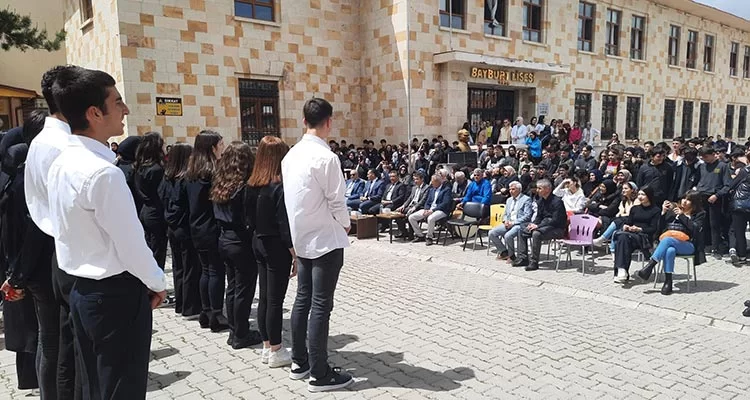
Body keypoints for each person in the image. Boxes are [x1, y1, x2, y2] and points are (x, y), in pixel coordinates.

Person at [47, 66, 166, 399]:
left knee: (96, 387)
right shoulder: (102, 174)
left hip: (83, 292)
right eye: (118, 102)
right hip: (115, 297)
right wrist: (157, 282)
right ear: (94, 113)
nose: (125, 110)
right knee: (120, 389)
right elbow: (131, 246)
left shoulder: (62, 161)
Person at [282, 98, 353, 392]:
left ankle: (300, 362)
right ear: (329, 122)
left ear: (303, 121)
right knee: (321, 305)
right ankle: (319, 373)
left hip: (302, 236)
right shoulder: (327, 158)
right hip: (324, 237)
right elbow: (337, 200)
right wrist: (346, 223)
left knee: (303, 299)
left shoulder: (290, 156)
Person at [23, 65, 80, 399]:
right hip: (57, 251)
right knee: (60, 346)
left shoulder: (45, 141)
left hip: (52, 249)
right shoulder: (61, 146)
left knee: (54, 341)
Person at [0, 112, 47, 397]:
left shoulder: (7, 178)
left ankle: (31, 380)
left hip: (13, 266)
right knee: (40, 333)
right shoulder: (20, 183)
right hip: (25, 267)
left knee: (30, 331)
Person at [248, 136, 297, 366]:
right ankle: (276, 349)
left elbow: (246, 218)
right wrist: (294, 254)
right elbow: (284, 224)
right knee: (275, 299)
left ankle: (267, 345)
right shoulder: (279, 187)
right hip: (276, 245)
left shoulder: (252, 185)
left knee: (266, 297)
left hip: (258, 241)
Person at [211, 141, 262, 349]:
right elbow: (248, 218)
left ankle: (234, 330)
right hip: (241, 241)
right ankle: (240, 333)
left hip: (224, 239)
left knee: (232, 287)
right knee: (244, 289)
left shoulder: (221, 181)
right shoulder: (244, 187)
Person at [186, 130, 229, 331]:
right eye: (220, 145)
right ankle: (216, 314)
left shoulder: (192, 171)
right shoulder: (212, 172)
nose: (223, 149)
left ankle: (206, 311)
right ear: (212, 148)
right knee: (216, 271)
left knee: (205, 270)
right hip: (211, 227)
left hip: (196, 226)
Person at [635, 191, 706, 295]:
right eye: (684, 198)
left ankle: (650, 266)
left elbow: (695, 229)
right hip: (671, 244)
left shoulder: (699, 214)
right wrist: (663, 212)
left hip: (688, 245)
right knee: (669, 250)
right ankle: (668, 282)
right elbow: (659, 229)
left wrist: (682, 216)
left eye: (688, 200)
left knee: (667, 240)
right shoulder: (673, 211)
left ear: (694, 203)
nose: (684, 202)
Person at [161, 143, 201, 318]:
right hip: (185, 228)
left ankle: (180, 303)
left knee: (178, 267)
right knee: (190, 267)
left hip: (172, 227)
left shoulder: (167, 177)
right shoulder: (186, 179)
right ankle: (190, 307)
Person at [513, 179, 567, 271]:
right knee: (522, 228)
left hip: (557, 228)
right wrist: (533, 224)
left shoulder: (557, 202)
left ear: (547, 189)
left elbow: (555, 220)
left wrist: (538, 226)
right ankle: (523, 258)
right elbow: (539, 216)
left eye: (539, 188)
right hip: (544, 225)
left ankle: (534, 262)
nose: (537, 190)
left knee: (536, 234)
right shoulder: (541, 200)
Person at [611, 186, 661, 283]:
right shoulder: (635, 208)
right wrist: (626, 226)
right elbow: (629, 222)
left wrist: (639, 229)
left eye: (643, 194)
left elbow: (654, 229)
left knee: (622, 238)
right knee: (622, 238)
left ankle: (621, 270)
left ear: (649, 196)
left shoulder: (655, 210)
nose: (640, 197)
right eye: (639, 194)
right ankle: (623, 270)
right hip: (630, 236)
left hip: (644, 237)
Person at [134, 132, 168, 269]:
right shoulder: (156, 169)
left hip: (145, 210)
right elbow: (161, 194)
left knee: (150, 248)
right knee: (157, 250)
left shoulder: (140, 166)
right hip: (156, 213)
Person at [695, 146, 732, 259]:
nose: (704, 159)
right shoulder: (701, 166)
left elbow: (727, 185)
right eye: (702, 157)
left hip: (714, 198)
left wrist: (717, 195)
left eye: (706, 156)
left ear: (713, 154)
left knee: (714, 224)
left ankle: (715, 248)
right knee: (701, 223)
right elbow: (697, 181)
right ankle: (703, 245)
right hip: (701, 197)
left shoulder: (722, 166)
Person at [488, 182, 533, 260]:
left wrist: (513, 223)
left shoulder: (526, 199)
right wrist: (505, 221)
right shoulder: (509, 200)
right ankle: (504, 252)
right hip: (508, 223)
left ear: (519, 190)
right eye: (510, 189)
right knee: (491, 233)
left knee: (508, 235)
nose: (511, 191)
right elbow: (505, 214)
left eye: (513, 189)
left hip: (519, 224)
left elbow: (527, 215)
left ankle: (512, 256)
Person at [408, 174, 453, 246]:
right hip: (429, 209)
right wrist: (426, 209)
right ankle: (420, 235)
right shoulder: (431, 189)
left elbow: (445, 203)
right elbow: (428, 201)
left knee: (431, 218)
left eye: (433, 182)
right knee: (411, 217)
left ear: (438, 182)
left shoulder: (446, 190)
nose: (431, 183)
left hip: (441, 210)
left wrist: (433, 210)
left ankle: (429, 237)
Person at [395, 171, 428, 239]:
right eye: (414, 179)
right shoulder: (414, 187)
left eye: (417, 179)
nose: (415, 181)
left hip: (419, 207)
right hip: (410, 206)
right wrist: (403, 205)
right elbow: (410, 198)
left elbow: (423, 200)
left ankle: (411, 234)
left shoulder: (426, 188)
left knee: (410, 214)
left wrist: (415, 207)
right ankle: (404, 232)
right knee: (397, 214)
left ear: (422, 179)